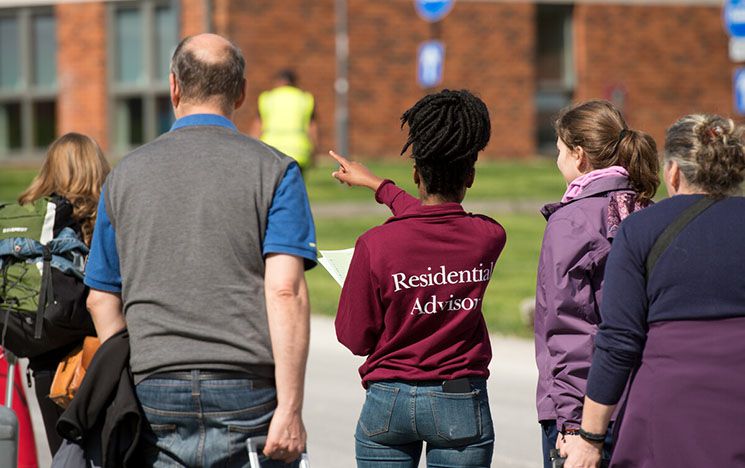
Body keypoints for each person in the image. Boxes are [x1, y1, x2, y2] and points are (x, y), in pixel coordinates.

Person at [83, 33, 316, 467]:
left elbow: (100, 297)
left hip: (154, 386)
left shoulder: (124, 176)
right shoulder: (277, 171)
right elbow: (285, 291)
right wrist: (290, 408)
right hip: (246, 388)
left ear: (173, 86)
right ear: (242, 93)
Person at [331, 89, 506, 468]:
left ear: (416, 173)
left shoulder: (375, 244)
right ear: (471, 177)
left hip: (388, 398)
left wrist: (382, 188)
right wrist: (379, 186)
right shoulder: (488, 236)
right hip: (460, 395)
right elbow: (439, 219)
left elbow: (354, 337)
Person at [563, 114, 745, 468]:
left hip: (670, 410)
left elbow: (618, 341)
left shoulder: (640, 229)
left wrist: (590, 439)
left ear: (673, 171)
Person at [533, 100, 660, 468]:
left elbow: (569, 327)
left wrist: (574, 423)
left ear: (579, 155)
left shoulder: (570, 221)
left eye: (558, 151)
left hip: (583, 415)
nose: (557, 161)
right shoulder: (647, 209)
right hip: (638, 402)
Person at [5, 133, 109, 455]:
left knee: (63, 457)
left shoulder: (34, 223)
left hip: (46, 364)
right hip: (95, 361)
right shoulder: (105, 220)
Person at [251, 69, 318, 173]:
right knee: (295, 187)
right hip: (298, 153)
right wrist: (314, 150)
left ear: (277, 81)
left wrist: (252, 149)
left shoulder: (268, 98)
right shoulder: (305, 98)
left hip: (270, 151)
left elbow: (257, 126)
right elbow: (312, 128)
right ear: (295, 82)